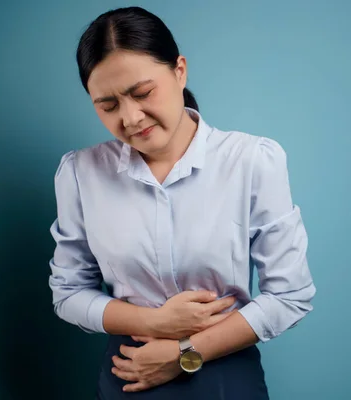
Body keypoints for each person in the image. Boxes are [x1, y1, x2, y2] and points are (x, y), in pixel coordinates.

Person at [48, 6, 316, 399]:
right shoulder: (80, 173)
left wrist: (185, 352)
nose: (131, 117)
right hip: (130, 369)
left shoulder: (252, 159)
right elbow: (68, 293)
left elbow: (290, 295)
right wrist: (155, 323)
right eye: (107, 105)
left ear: (180, 70)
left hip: (225, 368)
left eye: (142, 93)